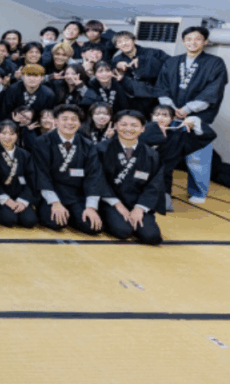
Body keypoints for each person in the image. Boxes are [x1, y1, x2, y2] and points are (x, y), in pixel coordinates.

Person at [155, 26, 229, 203]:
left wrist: (188, 109)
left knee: (197, 157)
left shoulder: (215, 63)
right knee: (166, 155)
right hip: (171, 116)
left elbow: (213, 90)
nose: (192, 42)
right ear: (183, 41)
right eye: (188, 39)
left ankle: (198, 192)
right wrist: (171, 109)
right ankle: (162, 191)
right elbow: (162, 86)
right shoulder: (172, 62)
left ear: (205, 41)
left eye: (197, 39)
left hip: (198, 117)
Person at [31, 105, 106, 235]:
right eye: (64, 119)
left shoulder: (87, 145)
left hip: (76, 195)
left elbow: (93, 177)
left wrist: (91, 207)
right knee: (56, 223)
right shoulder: (42, 142)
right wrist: (55, 203)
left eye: (74, 119)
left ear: (80, 123)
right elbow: (42, 174)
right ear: (56, 121)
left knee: (93, 227)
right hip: (52, 194)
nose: (69, 123)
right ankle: (64, 214)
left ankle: (73, 215)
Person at [96, 110, 164, 245]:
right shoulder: (101, 149)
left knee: (152, 237)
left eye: (134, 125)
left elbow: (155, 185)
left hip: (137, 202)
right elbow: (98, 179)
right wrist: (118, 205)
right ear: (115, 126)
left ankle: (135, 216)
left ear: (142, 128)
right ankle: (107, 217)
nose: (128, 129)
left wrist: (140, 208)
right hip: (109, 202)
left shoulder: (151, 155)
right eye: (123, 124)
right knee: (123, 231)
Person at [0, 120, 39, 228]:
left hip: (20, 195)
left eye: (12, 134)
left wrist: (23, 201)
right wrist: (6, 200)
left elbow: (31, 179)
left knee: (30, 221)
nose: (8, 137)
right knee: (9, 219)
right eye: (4, 133)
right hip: (0, 197)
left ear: (17, 135)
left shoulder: (24, 154)